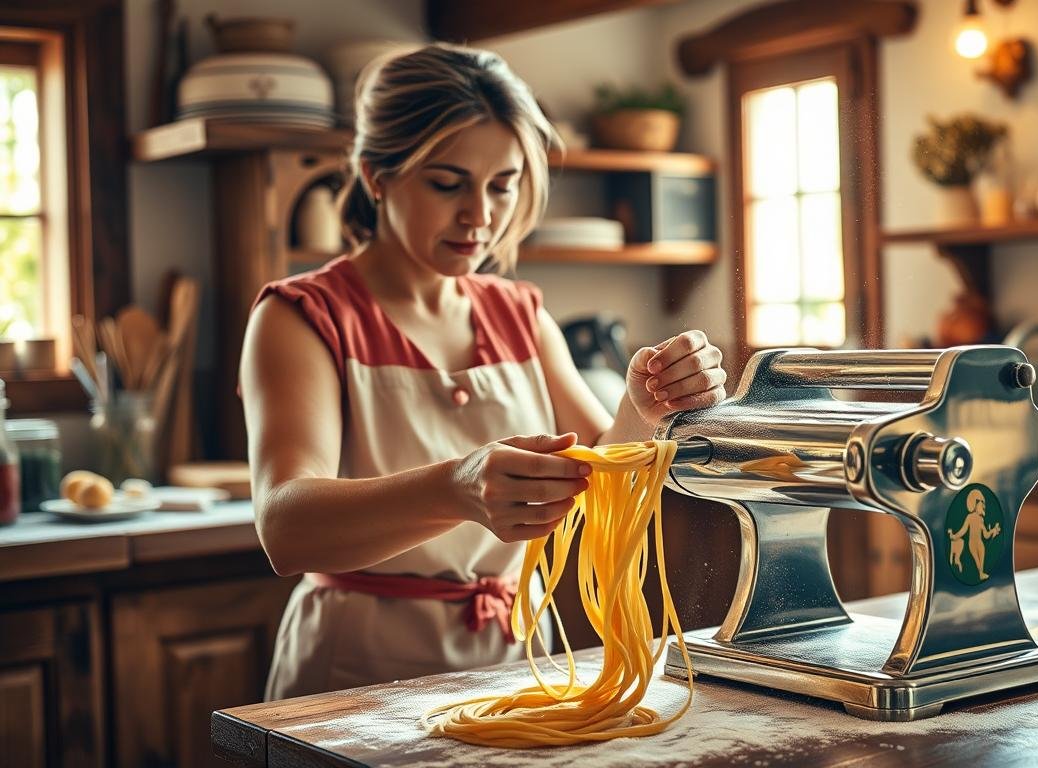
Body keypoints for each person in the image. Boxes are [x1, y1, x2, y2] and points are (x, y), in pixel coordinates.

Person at [238, 43, 728, 700]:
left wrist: (644, 406)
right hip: (352, 670)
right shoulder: (302, 316)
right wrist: (455, 488)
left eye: (503, 184)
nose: (481, 216)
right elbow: (286, 528)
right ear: (376, 174)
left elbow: (600, 468)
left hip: (511, 660)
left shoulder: (520, 314)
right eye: (447, 183)